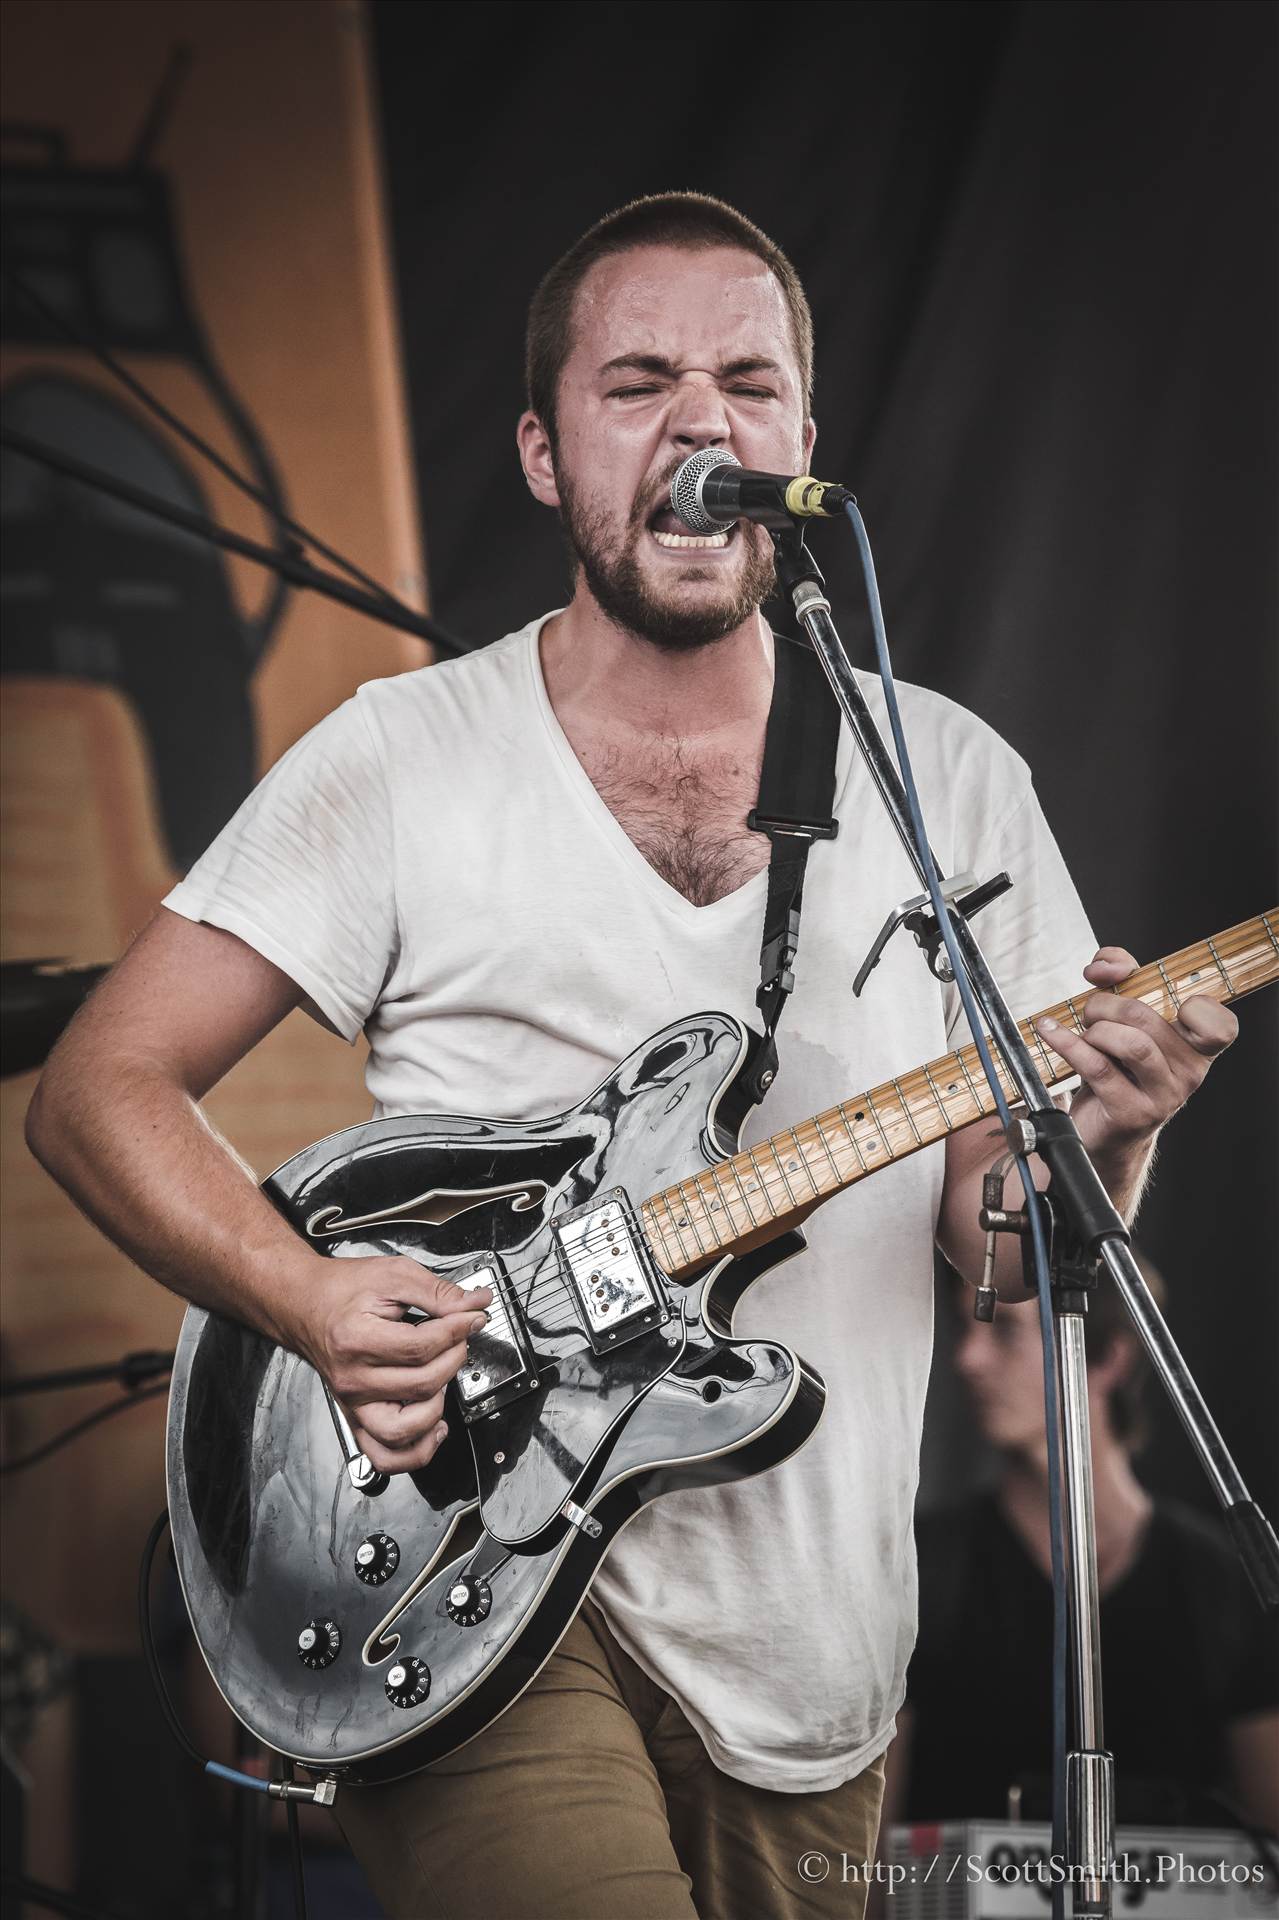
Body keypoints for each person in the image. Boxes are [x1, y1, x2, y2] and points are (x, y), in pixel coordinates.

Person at [23, 194, 1239, 1920]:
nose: (699, 425)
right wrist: (303, 1302)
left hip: (813, 1659)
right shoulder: (403, 759)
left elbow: (993, 1264)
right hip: (459, 1576)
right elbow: (97, 1090)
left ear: (799, 446)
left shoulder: (946, 782)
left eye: (746, 382)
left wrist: (1108, 1142)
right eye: (637, 381)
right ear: (540, 452)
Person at [891, 1263, 1279, 1835]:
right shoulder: (922, 1566)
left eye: (1003, 1331)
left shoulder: (1224, 1582)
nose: (967, 1359)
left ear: (1109, 1358)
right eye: (965, 1329)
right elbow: (864, 1866)